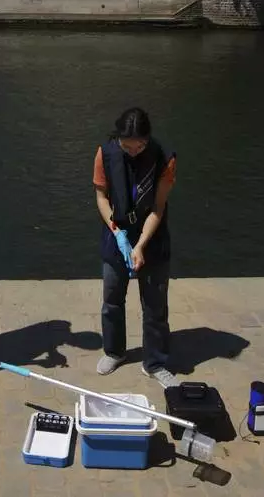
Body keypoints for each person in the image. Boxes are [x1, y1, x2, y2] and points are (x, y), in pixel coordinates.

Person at [92, 107, 180, 388]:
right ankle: (114, 351)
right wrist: (118, 234)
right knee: (112, 299)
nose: (132, 152)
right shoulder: (104, 154)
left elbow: (158, 206)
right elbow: (102, 198)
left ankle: (155, 362)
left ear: (147, 139)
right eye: (126, 146)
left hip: (152, 234)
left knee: (155, 304)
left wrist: (140, 245)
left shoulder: (163, 158)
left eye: (139, 146)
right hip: (116, 230)